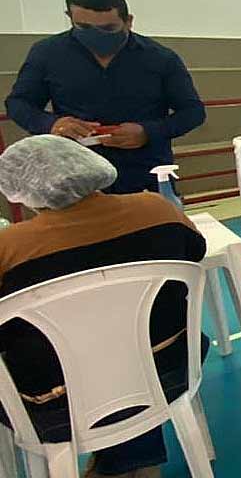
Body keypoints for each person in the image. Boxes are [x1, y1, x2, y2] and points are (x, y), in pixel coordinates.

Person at [0, 135, 207, 478]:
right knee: (127, 344)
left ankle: (119, 464)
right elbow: (194, 251)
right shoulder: (156, 210)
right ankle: (134, 459)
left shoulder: (10, 249)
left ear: (21, 189)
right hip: (167, 368)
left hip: (54, 405)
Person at [5, 0, 206, 195]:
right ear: (69, 18)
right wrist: (52, 124)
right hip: (75, 175)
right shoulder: (47, 54)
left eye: (108, 28)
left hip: (145, 174)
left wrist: (148, 132)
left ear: (128, 21)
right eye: (84, 27)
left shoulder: (161, 59)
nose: (96, 35)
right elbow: (18, 104)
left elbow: (193, 112)